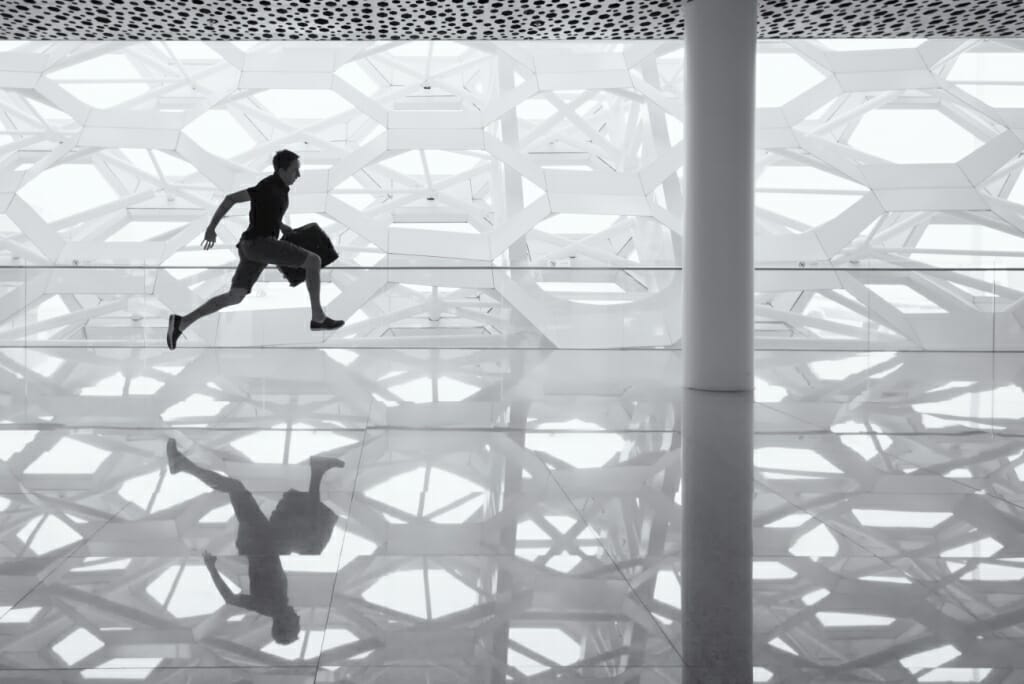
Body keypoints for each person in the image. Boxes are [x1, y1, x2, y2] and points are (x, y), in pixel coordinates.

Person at [165, 437, 345, 644]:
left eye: (295, 626)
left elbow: (230, 598)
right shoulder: (273, 605)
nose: (298, 620)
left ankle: (182, 465)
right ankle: (317, 472)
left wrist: (211, 567)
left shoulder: (269, 606)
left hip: (258, 540)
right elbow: (232, 599)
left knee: (237, 489)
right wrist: (211, 567)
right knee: (312, 542)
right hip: (264, 541)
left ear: (284, 624)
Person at [165, 149, 344, 350]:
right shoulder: (267, 186)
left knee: (235, 296)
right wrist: (211, 228)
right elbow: (230, 198)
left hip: (252, 246)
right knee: (313, 261)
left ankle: (182, 323)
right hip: (259, 244)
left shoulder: (280, 189)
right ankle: (318, 317)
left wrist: (281, 226)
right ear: (282, 170)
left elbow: (265, 214)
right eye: (295, 170)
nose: (298, 175)